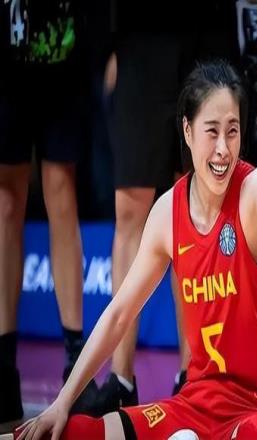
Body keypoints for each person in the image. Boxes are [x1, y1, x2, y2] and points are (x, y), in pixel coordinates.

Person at [14, 60, 257, 440]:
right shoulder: (167, 212)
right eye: (212, 132)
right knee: (77, 432)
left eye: (233, 131)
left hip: (256, 411)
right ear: (187, 130)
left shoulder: (251, 193)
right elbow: (119, 314)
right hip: (194, 405)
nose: (223, 149)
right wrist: (62, 402)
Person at [94, 1, 241, 411]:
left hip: (207, 34)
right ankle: (121, 380)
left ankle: (194, 377)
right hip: (141, 37)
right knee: (130, 208)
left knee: (199, 206)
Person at [0, 0, 96, 428]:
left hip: (63, 53)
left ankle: (75, 364)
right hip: (7, 58)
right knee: (6, 202)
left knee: (62, 192)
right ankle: (3, 367)